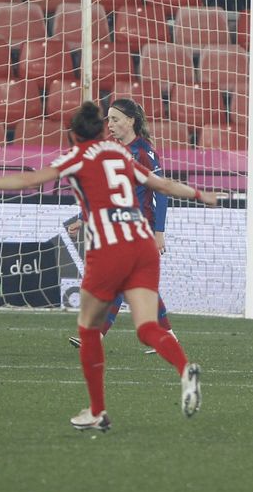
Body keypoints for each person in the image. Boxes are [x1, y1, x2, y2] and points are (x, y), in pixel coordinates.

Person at [0, 102, 220, 432]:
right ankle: (184, 368)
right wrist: (200, 195)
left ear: (73, 134)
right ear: (101, 130)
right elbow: (162, 186)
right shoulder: (121, 154)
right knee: (147, 327)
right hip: (141, 242)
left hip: (110, 247)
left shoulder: (76, 156)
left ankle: (97, 411)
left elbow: (29, 180)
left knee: (89, 328)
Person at [66, 98, 174, 353]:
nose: (110, 125)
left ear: (131, 121)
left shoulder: (143, 153)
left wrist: (159, 232)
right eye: (109, 120)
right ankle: (167, 334)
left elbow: (162, 192)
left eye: (115, 119)